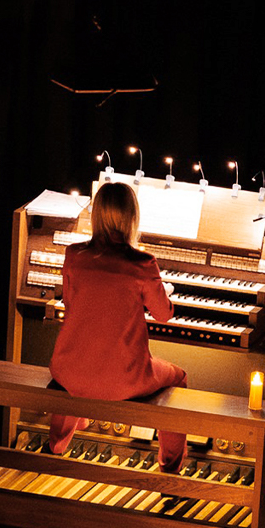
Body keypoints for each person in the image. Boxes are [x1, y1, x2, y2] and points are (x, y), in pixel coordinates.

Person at [46, 180, 188, 467]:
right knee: (179, 377)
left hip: (69, 370)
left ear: (96, 215)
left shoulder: (74, 255)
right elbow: (163, 314)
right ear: (132, 218)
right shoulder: (142, 263)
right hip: (124, 380)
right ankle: (170, 465)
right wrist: (163, 290)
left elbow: (72, 306)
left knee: (78, 371)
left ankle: (57, 445)